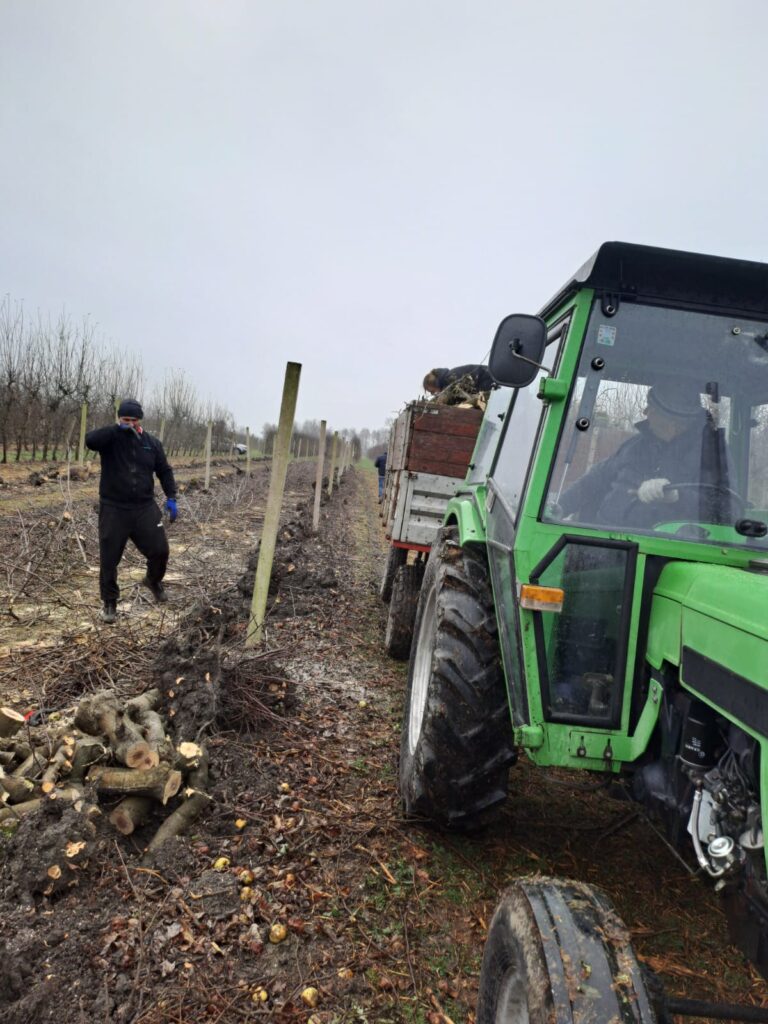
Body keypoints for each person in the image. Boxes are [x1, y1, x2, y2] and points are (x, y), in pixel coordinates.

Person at [558, 378, 733, 529]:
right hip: (602, 540)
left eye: (651, 407)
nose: (645, 412)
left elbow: (728, 507)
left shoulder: (712, 455)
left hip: (656, 553)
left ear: (673, 419)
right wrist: (560, 506)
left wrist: (677, 496)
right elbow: (596, 478)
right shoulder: (636, 446)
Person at [86, 399, 178, 624]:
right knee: (109, 559)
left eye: (133, 420)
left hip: (144, 507)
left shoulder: (151, 443)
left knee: (160, 550)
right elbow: (90, 440)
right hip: (114, 508)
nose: (129, 424)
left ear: (140, 420)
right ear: (120, 419)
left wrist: (171, 497)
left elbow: (164, 471)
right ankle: (110, 603)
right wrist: (116, 430)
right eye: (125, 420)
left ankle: (153, 580)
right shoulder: (111, 439)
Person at [423, 364, 495, 396]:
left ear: (436, 384)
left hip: (488, 378)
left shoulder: (450, 379)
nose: (434, 393)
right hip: (489, 376)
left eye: (432, 391)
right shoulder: (448, 378)